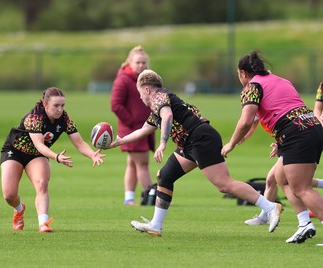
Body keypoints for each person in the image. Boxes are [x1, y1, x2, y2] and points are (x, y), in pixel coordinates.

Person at [108, 69, 283, 237]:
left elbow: (167, 116)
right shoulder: (158, 105)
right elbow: (144, 130)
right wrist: (119, 141)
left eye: (140, 93)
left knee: (224, 184)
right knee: (165, 176)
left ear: (147, 89)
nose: (140, 97)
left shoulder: (158, 97)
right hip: (190, 142)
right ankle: (156, 225)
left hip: (200, 139)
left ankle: (270, 207)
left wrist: (162, 143)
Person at [221, 49, 323, 244]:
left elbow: (246, 121)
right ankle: (304, 224)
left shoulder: (251, 87)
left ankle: (307, 222)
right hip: (310, 127)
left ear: (243, 73)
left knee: (302, 188)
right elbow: (287, 107)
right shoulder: (281, 80)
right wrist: (280, 139)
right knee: (280, 177)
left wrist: (231, 144)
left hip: (297, 133)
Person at [0, 87, 105, 233]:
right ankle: (19, 209)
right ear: (45, 104)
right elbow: (39, 144)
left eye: (62, 105)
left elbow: (79, 143)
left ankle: (43, 223)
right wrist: (56, 157)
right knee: (9, 194)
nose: (60, 109)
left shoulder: (64, 119)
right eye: (56, 105)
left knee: (42, 183)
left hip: (37, 155)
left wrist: (92, 154)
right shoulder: (35, 117)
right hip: (15, 150)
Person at [110, 45, 155, 206]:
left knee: (133, 163)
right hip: (134, 128)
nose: (141, 66)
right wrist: (131, 121)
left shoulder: (146, 79)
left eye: (144, 63)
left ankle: (129, 198)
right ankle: (151, 195)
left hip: (144, 127)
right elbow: (115, 104)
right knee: (142, 163)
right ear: (130, 62)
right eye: (138, 62)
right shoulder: (123, 79)